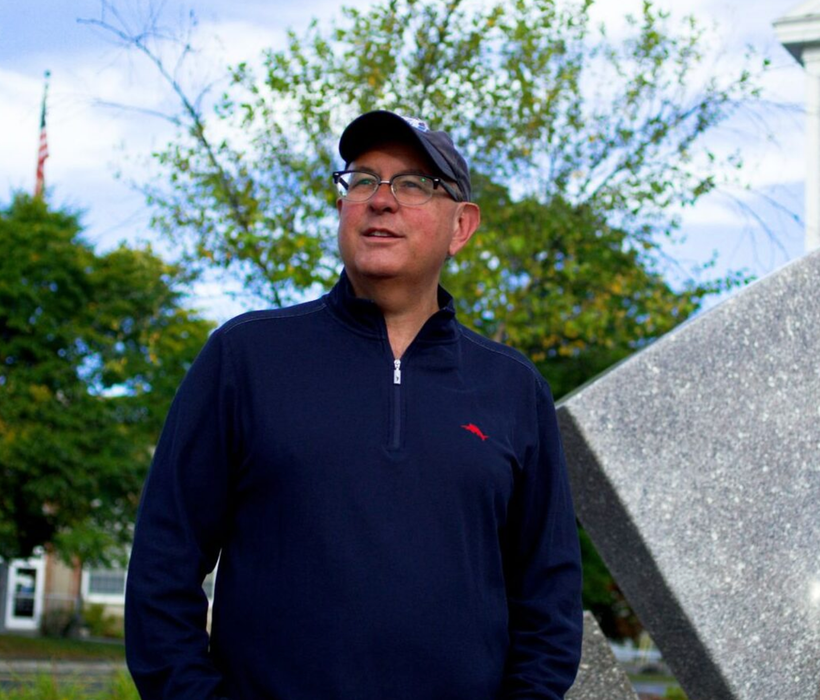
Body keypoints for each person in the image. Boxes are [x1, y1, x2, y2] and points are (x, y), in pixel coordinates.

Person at [125, 110, 583, 700]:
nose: (380, 201)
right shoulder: (245, 358)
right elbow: (164, 567)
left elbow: (549, 599)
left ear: (461, 227)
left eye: (414, 184)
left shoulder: (514, 389)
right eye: (363, 180)